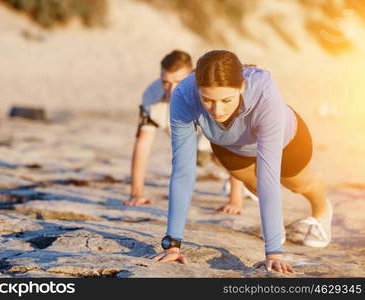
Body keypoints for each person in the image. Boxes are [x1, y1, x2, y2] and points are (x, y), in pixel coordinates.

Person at [149, 50, 333, 273]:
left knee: (296, 183)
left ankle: (323, 211)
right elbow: (183, 171)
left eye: (226, 100)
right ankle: (275, 226)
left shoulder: (264, 93)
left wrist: (273, 253)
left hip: (288, 139)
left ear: (241, 87)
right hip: (230, 145)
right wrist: (173, 245)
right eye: (207, 100)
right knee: (253, 186)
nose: (217, 111)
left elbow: (269, 176)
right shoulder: (183, 96)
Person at [124, 50, 249, 210]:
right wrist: (136, 193)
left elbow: (234, 144)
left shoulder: (209, 94)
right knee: (199, 156)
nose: (171, 90)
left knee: (222, 153)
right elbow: (143, 145)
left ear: (192, 77)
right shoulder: (152, 94)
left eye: (178, 81)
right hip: (197, 147)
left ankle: (243, 183)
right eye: (165, 82)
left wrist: (234, 201)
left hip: (234, 145)